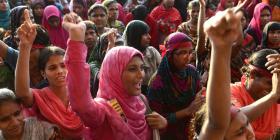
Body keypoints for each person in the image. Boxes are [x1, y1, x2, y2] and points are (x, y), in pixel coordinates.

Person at [63, 12, 167, 139]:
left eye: (142, 68)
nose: (141, 75)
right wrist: (76, 40)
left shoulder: (141, 100)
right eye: (132, 69)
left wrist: (162, 125)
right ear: (114, 73)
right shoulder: (105, 108)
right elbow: (81, 105)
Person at [199, 2, 280, 140]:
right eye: (269, 83)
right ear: (252, 75)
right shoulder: (231, 92)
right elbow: (224, 120)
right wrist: (272, 95)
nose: (250, 134)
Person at [15, 10, 85, 139]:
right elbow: (22, 93)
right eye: (52, 68)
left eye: (63, 65)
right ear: (43, 73)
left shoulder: (79, 95)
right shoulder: (41, 96)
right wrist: (25, 46)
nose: (59, 71)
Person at [147, 32, 203, 140]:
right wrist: (187, 111)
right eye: (182, 53)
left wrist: (200, 100)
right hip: (168, 134)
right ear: (170, 55)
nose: (188, 57)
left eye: (190, 52)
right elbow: (156, 119)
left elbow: (198, 96)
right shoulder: (158, 82)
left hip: (191, 129)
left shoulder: (192, 72)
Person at [123, 20, 161, 95]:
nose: (149, 37)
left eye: (148, 33)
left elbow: (163, 71)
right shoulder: (124, 56)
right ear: (135, 36)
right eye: (145, 34)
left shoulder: (152, 52)